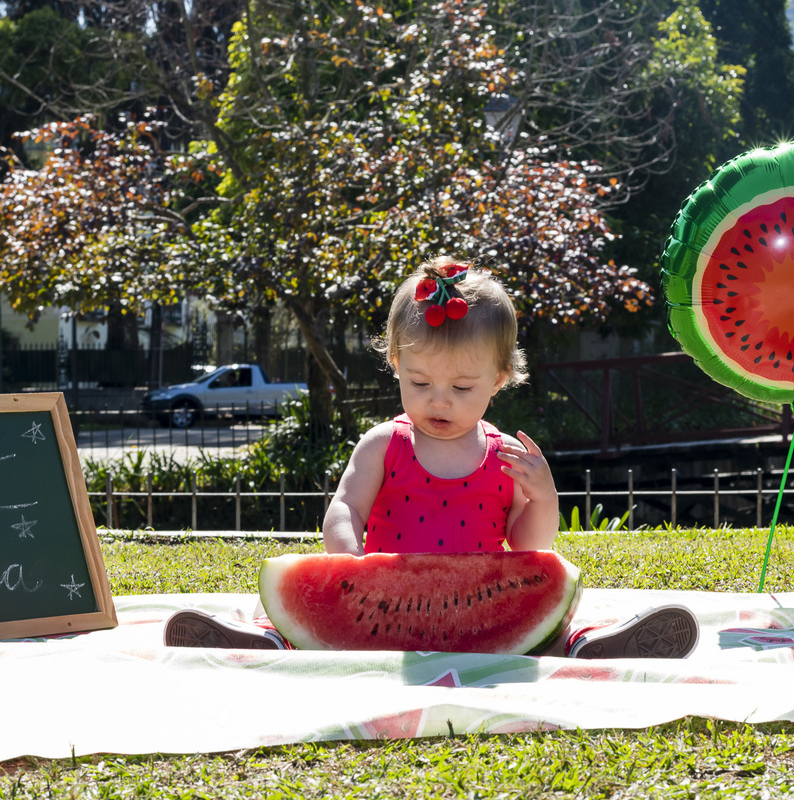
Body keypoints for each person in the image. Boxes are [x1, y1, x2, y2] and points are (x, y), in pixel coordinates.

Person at [164, 258, 698, 658]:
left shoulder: (504, 456)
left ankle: (590, 645)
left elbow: (530, 545)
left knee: (556, 613)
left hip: (479, 612)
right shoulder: (384, 443)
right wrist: (347, 560)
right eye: (419, 382)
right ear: (395, 364)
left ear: (499, 380)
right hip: (376, 606)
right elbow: (345, 505)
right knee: (286, 604)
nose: (438, 400)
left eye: (463, 387)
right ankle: (262, 641)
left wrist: (543, 494)